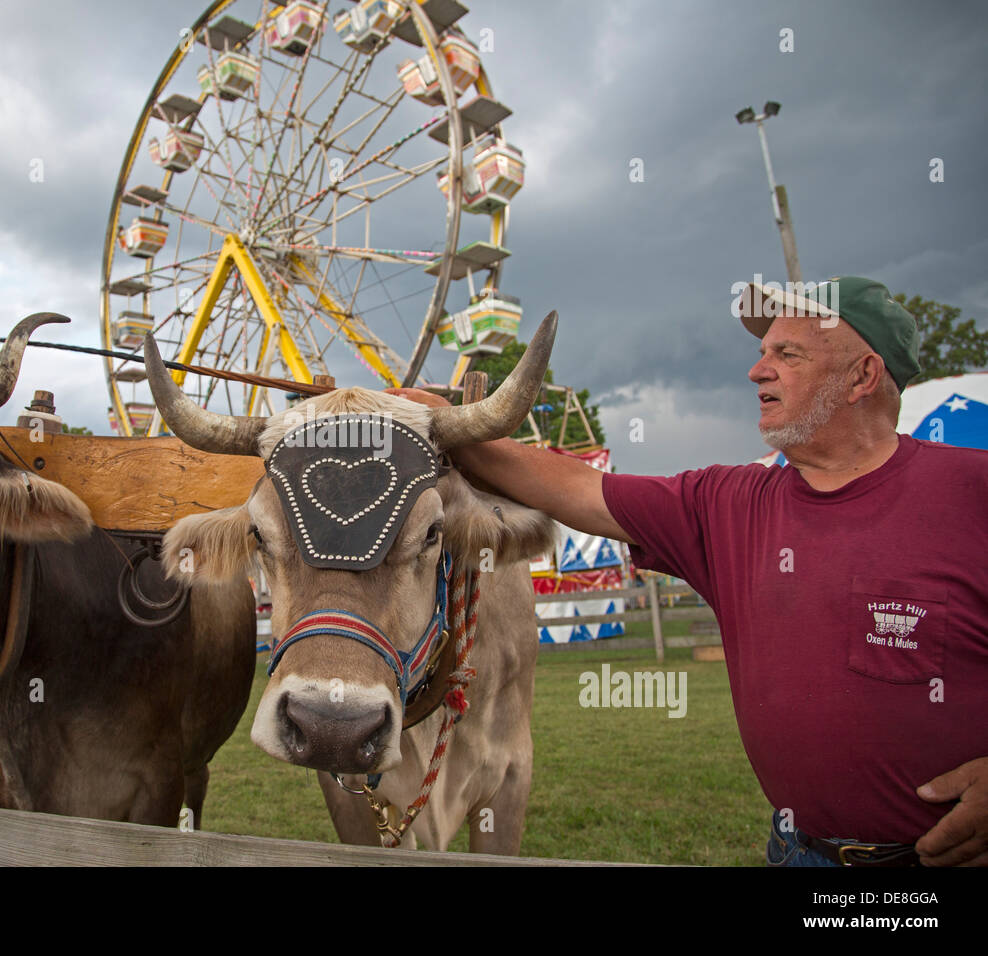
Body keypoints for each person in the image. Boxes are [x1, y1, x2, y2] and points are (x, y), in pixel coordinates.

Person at [390, 276, 988, 867]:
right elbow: (580, 489)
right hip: (798, 854)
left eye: (788, 353)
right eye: (761, 353)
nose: (758, 371)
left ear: (863, 375)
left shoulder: (970, 492)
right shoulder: (726, 503)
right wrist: (449, 424)